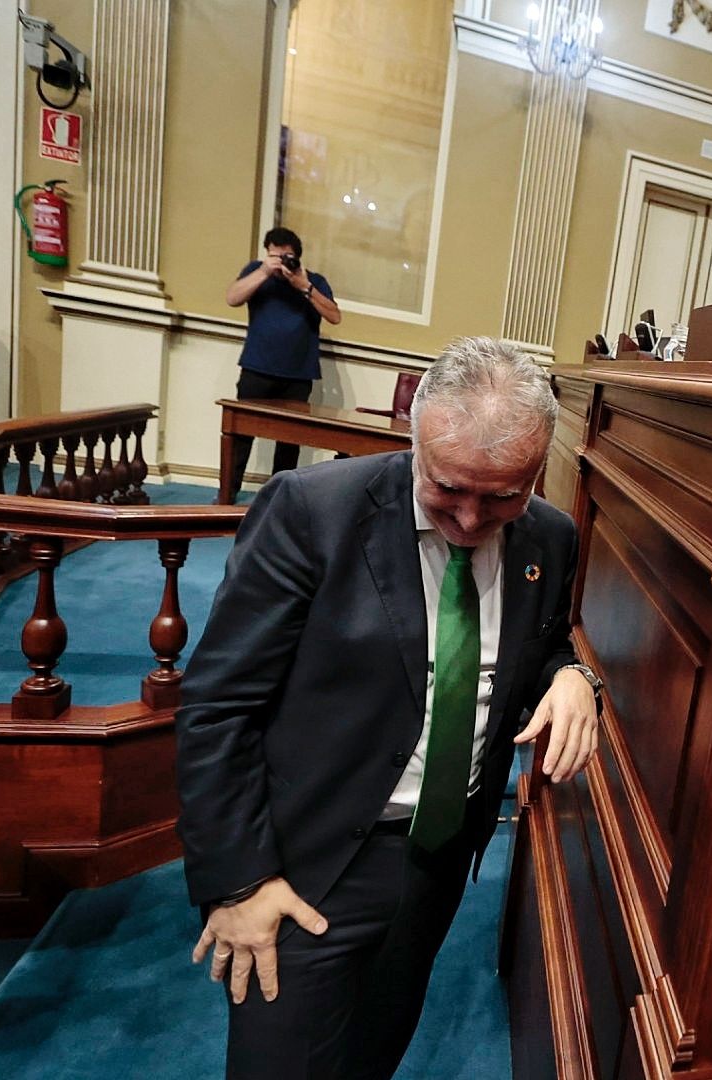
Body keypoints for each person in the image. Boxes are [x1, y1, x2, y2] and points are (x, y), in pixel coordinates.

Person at [176, 336, 602, 1079]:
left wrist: (574, 677)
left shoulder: (551, 538)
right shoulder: (313, 511)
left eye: (503, 495)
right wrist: (239, 882)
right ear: (415, 440)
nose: (471, 521)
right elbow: (217, 704)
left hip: (436, 857)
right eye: (448, 489)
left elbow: (544, 644)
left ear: (538, 471)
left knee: (374, 1052)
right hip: (309, 862)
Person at [223, 226, 342, 500]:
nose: (280, 263)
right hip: (257, 368)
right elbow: (232, 298)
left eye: (286, 257)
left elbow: (335, 316)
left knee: (289, 442)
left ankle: (278, 499)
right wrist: (264, 271)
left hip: (298, 375)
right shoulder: (257, 272)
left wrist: (304, 286)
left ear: (297, 258)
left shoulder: (314, 281)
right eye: (274, 256)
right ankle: (227, 494)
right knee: (240, 436)